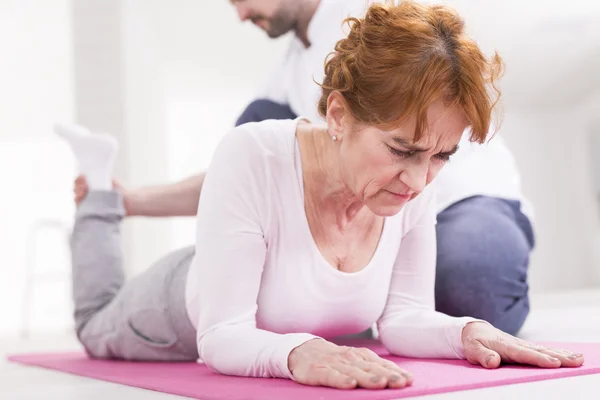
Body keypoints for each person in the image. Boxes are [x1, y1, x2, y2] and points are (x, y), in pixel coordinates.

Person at [58, 1, 582, 391]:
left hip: (272, 284)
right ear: (336, 115)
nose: (421, 181)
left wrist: (465, 332)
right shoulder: (250, 151)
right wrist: (296, 353)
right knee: (94, 324)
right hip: (187, 301)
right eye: (400, 149)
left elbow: (403, 318)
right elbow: (220, 335)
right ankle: (99, 190)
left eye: (440, 156)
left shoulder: (414, 176)